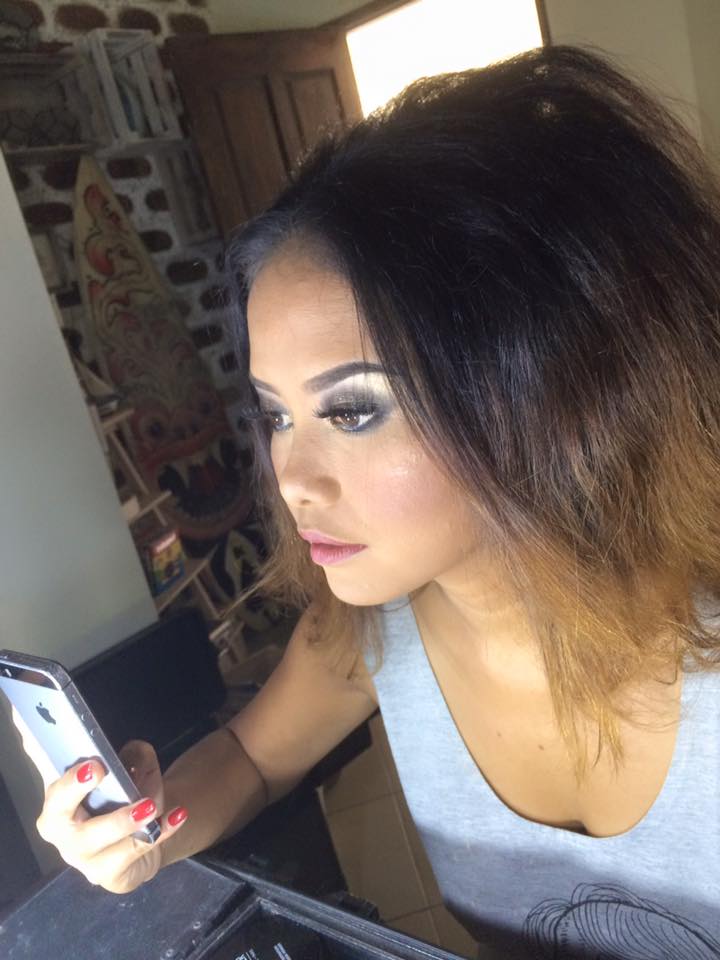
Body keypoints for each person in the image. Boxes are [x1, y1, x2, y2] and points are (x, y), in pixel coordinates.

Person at [17, 44, 720, 958]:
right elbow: (252, 759)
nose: (291, 479)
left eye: (353, 410)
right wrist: (145, 830)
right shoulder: (372, 633)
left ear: (546, 390)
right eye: (276, 414)